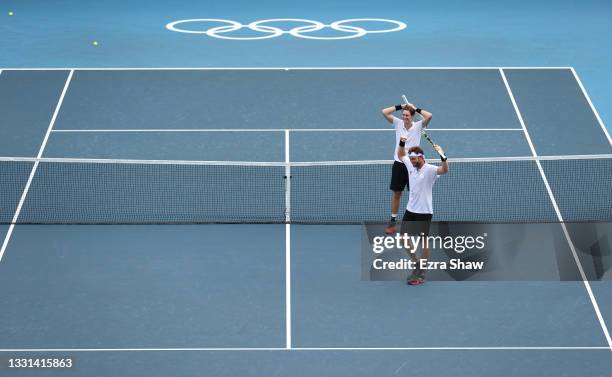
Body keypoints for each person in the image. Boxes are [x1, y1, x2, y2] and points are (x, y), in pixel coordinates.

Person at [397, 141, 449, 285]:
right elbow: (401, 154)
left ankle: (423, 271)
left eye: (414, 159)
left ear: (421, 157)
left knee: (423, 242)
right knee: (402, 239)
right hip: (410, 209)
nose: (412, 161)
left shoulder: (430, 170)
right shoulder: (410, 164)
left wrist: (443, 156)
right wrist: (402, 143)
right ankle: (417, 263)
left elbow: (444, 170)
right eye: (411, 159)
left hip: (424, 212)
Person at [381, 102, 432, 234]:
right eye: (403, 115)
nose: (404, 117)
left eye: (407, 115)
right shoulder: (398, 123)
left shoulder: (419, 126)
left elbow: (429, 115)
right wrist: (401, 106)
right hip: (399, 163)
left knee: (414, 194)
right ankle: (393, 221)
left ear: (412, 116)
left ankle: (413, 222)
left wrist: (415, 108)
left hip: (413, 165)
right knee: (397, 193)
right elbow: (384, 112)